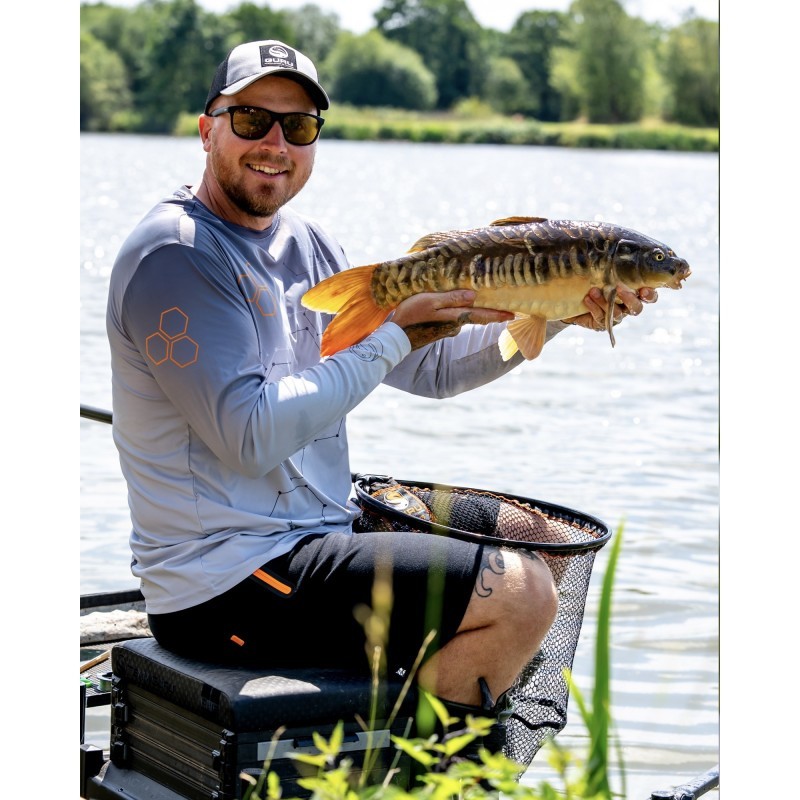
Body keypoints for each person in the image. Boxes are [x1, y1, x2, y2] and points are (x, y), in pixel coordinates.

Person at [106, 38, 657, 754]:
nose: (275, 143)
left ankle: (399, 748)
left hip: (311, 539)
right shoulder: (175, 256)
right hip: (224, 584)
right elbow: (251, 436)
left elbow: (432, 371)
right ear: (207, 127)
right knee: (519, 595)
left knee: (539, 546)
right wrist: (393, 336)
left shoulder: (305, 244)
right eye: (251, 121)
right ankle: (417, 778)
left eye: (298, 126)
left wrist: (547, 315)